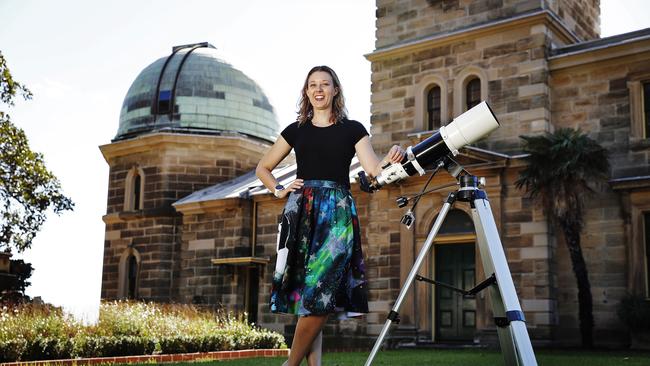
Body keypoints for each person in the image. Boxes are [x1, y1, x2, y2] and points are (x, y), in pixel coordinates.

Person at [255, 65, 405, 366]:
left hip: (336, 215)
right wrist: (279, 190)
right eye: (313, 85)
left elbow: (374, 169)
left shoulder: (353, 129)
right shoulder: (295, 130)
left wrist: (388, 160)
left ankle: (290, 364)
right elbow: (263, 168)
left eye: (325, 84)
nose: (319, 89)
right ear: (306, 92)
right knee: (310, 293)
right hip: (301, 213)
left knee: (321, 291)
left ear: (335, 90)